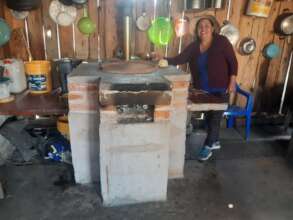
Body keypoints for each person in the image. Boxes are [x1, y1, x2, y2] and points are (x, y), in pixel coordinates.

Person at [161, 16, 238, 161]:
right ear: (197, 30)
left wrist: (232, 80)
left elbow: (233, 62)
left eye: (206, 26)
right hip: (203, 90)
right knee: (210, 118)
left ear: (213, 28)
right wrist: (163, 59)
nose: (203, 29)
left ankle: (207, 147)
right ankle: (214, 140)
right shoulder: (194, 46)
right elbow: (179, 59)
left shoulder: (221, 42)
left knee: (215, 119)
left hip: (221, 88)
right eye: (200, 27)